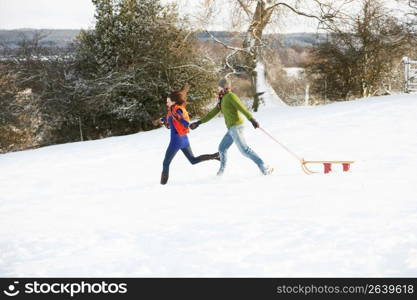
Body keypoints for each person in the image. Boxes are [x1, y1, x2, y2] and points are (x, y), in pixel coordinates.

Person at [189, 78, 273, 176]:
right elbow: (212, 113)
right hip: (231, 129)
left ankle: (264, 168)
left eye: (219, 87)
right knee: (222, 148)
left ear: (224, 87)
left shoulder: (230, 96)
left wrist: (252, 120)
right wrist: (199, 122)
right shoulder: (222, 99)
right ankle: (221, 173)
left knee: (244, 150)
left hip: (236, 127)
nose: (217, 89)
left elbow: (242, 108)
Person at [154, 83, 220, 185]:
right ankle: (214, 156)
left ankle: (162, 185)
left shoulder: (176, 109)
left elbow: (182, 119)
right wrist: (161, 120)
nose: (166, 103)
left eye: (168, 101)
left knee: (166, 163)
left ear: (174, 102)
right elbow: (170, 118)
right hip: (184, 139)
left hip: (176, 141)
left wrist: (186, 124)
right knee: (193, 160)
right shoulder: (172, 109)